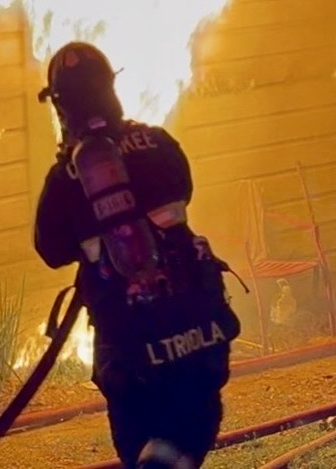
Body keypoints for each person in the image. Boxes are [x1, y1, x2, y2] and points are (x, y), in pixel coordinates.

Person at [33, 42, 240, 469]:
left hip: (128, 349)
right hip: (194, 331)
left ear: (60, 105)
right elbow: (184, 188)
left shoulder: (65, 178)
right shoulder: (160, 144)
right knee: (188, 436)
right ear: (111, 88)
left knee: (141, 450)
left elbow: (50, 250)